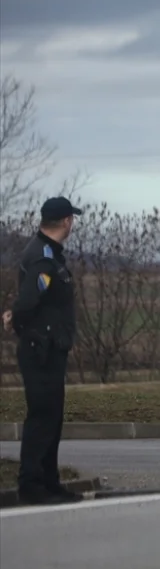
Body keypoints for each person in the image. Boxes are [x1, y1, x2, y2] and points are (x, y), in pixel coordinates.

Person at [1, 197, 84, 505]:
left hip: (48, 347)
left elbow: (28, 302)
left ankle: (49, 483)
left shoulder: (46, 254)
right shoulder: (44, 258)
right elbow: (28, 301)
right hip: (41, 350)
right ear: (66, 221)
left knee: (52, 418)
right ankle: (32, 485)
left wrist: (16, 317)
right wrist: (19, 323)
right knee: (42, 418)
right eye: (71, 219)